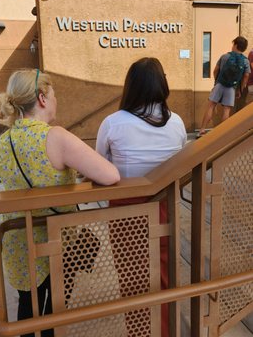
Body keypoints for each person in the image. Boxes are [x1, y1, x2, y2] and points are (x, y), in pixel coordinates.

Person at [0, 69, 120, 337]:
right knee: (55, 309)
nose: (55, 100)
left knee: (28, 306)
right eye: (54, 94)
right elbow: (111, 175)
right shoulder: (55, 137)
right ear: (42, 98)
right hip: (56, 239)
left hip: (18, 236)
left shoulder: (4, 141)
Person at [96, 57, 187, 337]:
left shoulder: (113, 124)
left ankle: (141, 333)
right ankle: (167, 331)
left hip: (127, 214)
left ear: (130, 86)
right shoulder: (178, 123)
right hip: (166, 209)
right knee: (166, 277)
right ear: (163, 83)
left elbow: (100, 168)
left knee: (133, 280)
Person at [197, 36, 250, 138]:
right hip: (231, 88)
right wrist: (240, 89)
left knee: (211, 106)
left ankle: (202, 130)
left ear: (235, 45)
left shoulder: (225, 56)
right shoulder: (245, 61)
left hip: (220, 84)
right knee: (226, 110)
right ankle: (222, 135)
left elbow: (215, 70)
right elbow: (246, 76)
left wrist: (216, 82)